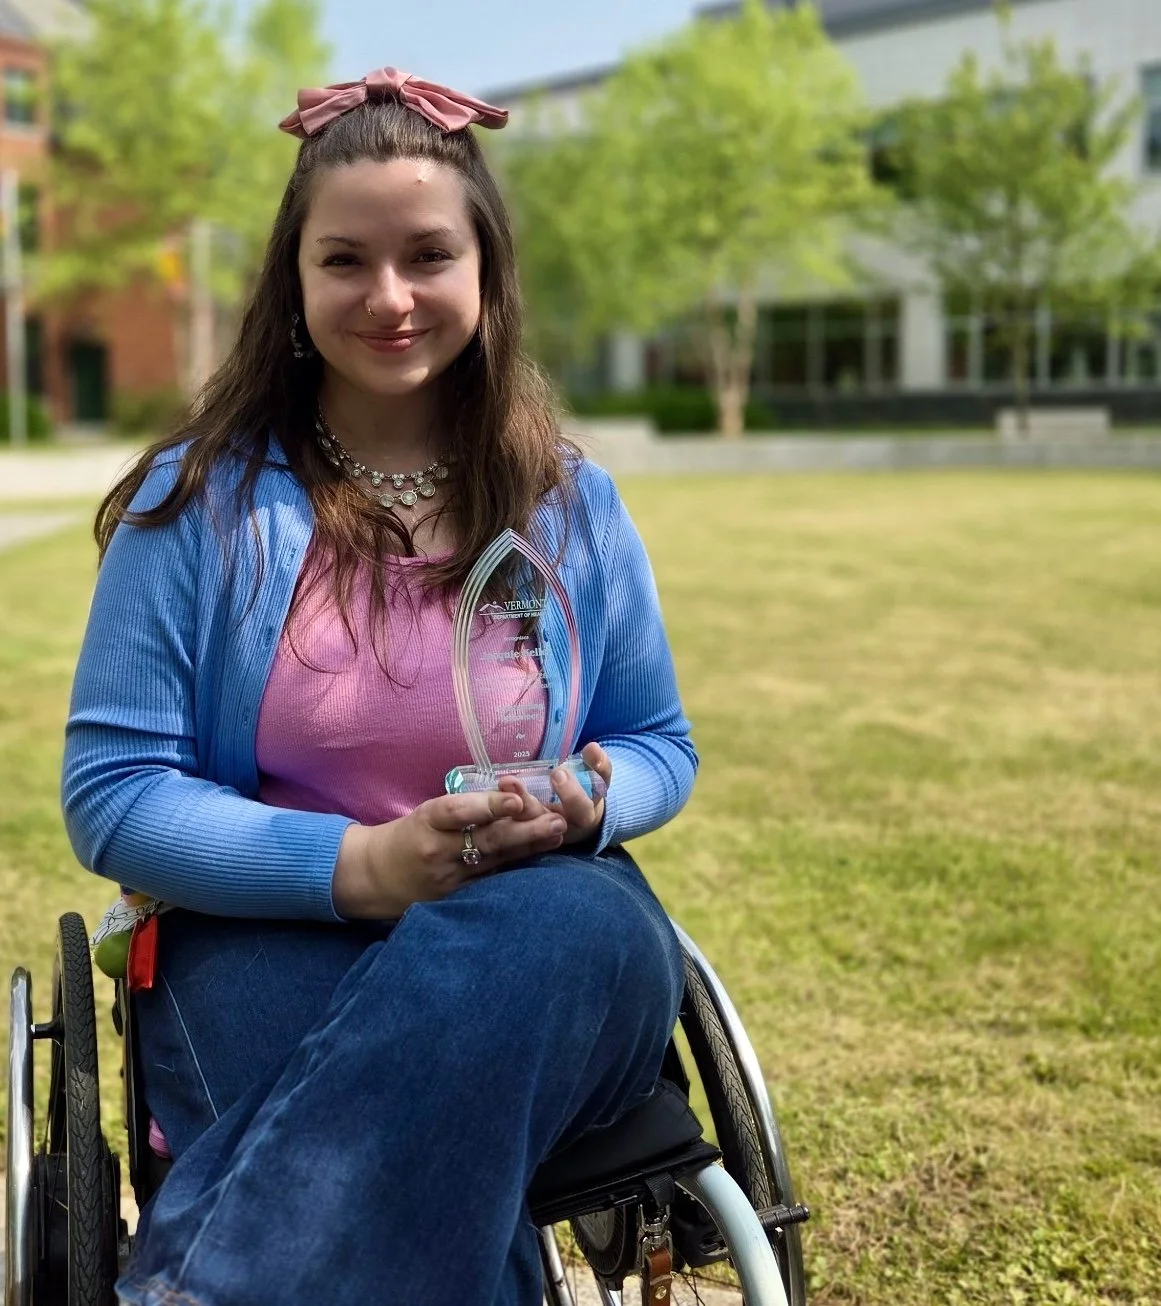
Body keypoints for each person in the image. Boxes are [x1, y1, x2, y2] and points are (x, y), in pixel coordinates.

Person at [62, 65, 697, 1306]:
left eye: (429, 255)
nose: (390, 296)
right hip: (263, 931)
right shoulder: (194, 506)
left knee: (559, 930)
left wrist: (591, 798)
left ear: (486, 269)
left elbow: (657, 741)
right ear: (294, 283)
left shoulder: (573, 505)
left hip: (546, 922)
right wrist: (361, 868)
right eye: (346, 259)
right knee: (403, 1159)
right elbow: (115, 794)